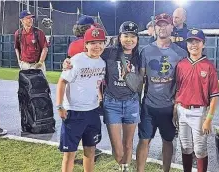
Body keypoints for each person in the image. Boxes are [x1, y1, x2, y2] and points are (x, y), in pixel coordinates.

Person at [63, 21, 141, 172]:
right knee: (118, 149)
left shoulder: (140, 55)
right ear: (120, 37)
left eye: (133, 36)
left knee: (128, 143)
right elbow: (89, 54)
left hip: (132, 102)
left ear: (137, 39)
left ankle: (125, 169)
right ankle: (121, 164)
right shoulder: (109, 52)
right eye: (126, 36)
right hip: (112, 103)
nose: (129, 39)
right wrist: (67, 61)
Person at [136, 13, 187, 172]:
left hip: (168, 108)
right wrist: (137, 103)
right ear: (155, 27)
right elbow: (140, 80)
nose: (162, 27)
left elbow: (182, 83)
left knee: (168, 141)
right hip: (148, 106)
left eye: (166, 24)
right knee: (144, 140)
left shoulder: (180, 53)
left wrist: (177, 106)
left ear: (172, 27)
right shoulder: (146, 51)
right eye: (159, 24)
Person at [56, 26, 106, 172]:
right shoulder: (76, 61)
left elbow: (97, 83)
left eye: (100, 42)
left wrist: (100, 99)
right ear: (86, 45)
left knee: (90, 151)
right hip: (74, 112)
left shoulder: (102, 63)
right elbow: (62, 82)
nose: (97, 46)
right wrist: (60, 106)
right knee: (69, 153)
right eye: (92, 43)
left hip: (92, 112)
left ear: (104, 44)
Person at [173, 29, 219, 172]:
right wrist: (175, 110)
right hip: (182, 110)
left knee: (200, 149)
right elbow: (178, 90)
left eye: (197, 41)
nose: (194, 45)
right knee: (186, 147)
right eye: (190, 42)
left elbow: (214, 96)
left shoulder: (209, 66)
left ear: (203, 44)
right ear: (187, 44)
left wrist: (209, 119)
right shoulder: (181, 65)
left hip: (199, 113)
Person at [14, 10, 48, 75]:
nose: (31, 20)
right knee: (27, 85)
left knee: (40, 85)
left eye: (31, 18)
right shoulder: (18, 33)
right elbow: (16, 48)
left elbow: (45, 48)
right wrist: (19, 61)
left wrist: (40, 62)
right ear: (22, 20)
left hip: (37, 64)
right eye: (28, 18)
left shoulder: (38, 32)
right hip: (25, 65)